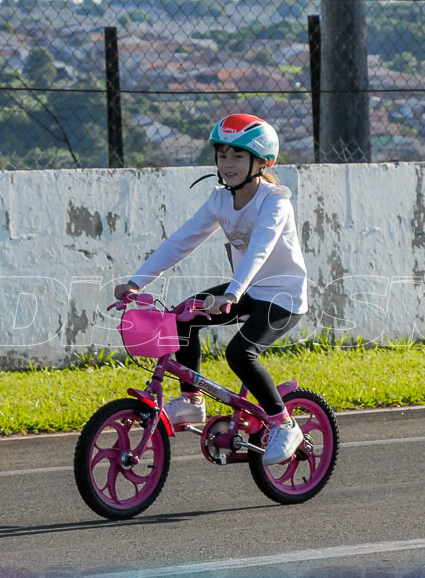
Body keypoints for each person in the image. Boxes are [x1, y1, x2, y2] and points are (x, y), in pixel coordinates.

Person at [114, 113, 308, 465]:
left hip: (283, 295)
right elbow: (182, 241)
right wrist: (136, 281)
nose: (227, 163)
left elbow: (259, 251)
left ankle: (284, 423)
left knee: (240, 354)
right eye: (222, 155)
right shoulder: (220, 199)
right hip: (246, 290)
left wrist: (231, 295)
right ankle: (191, 400)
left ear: (262, 162)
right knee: (181, 318)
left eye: (237, 156)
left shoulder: (275, 201)